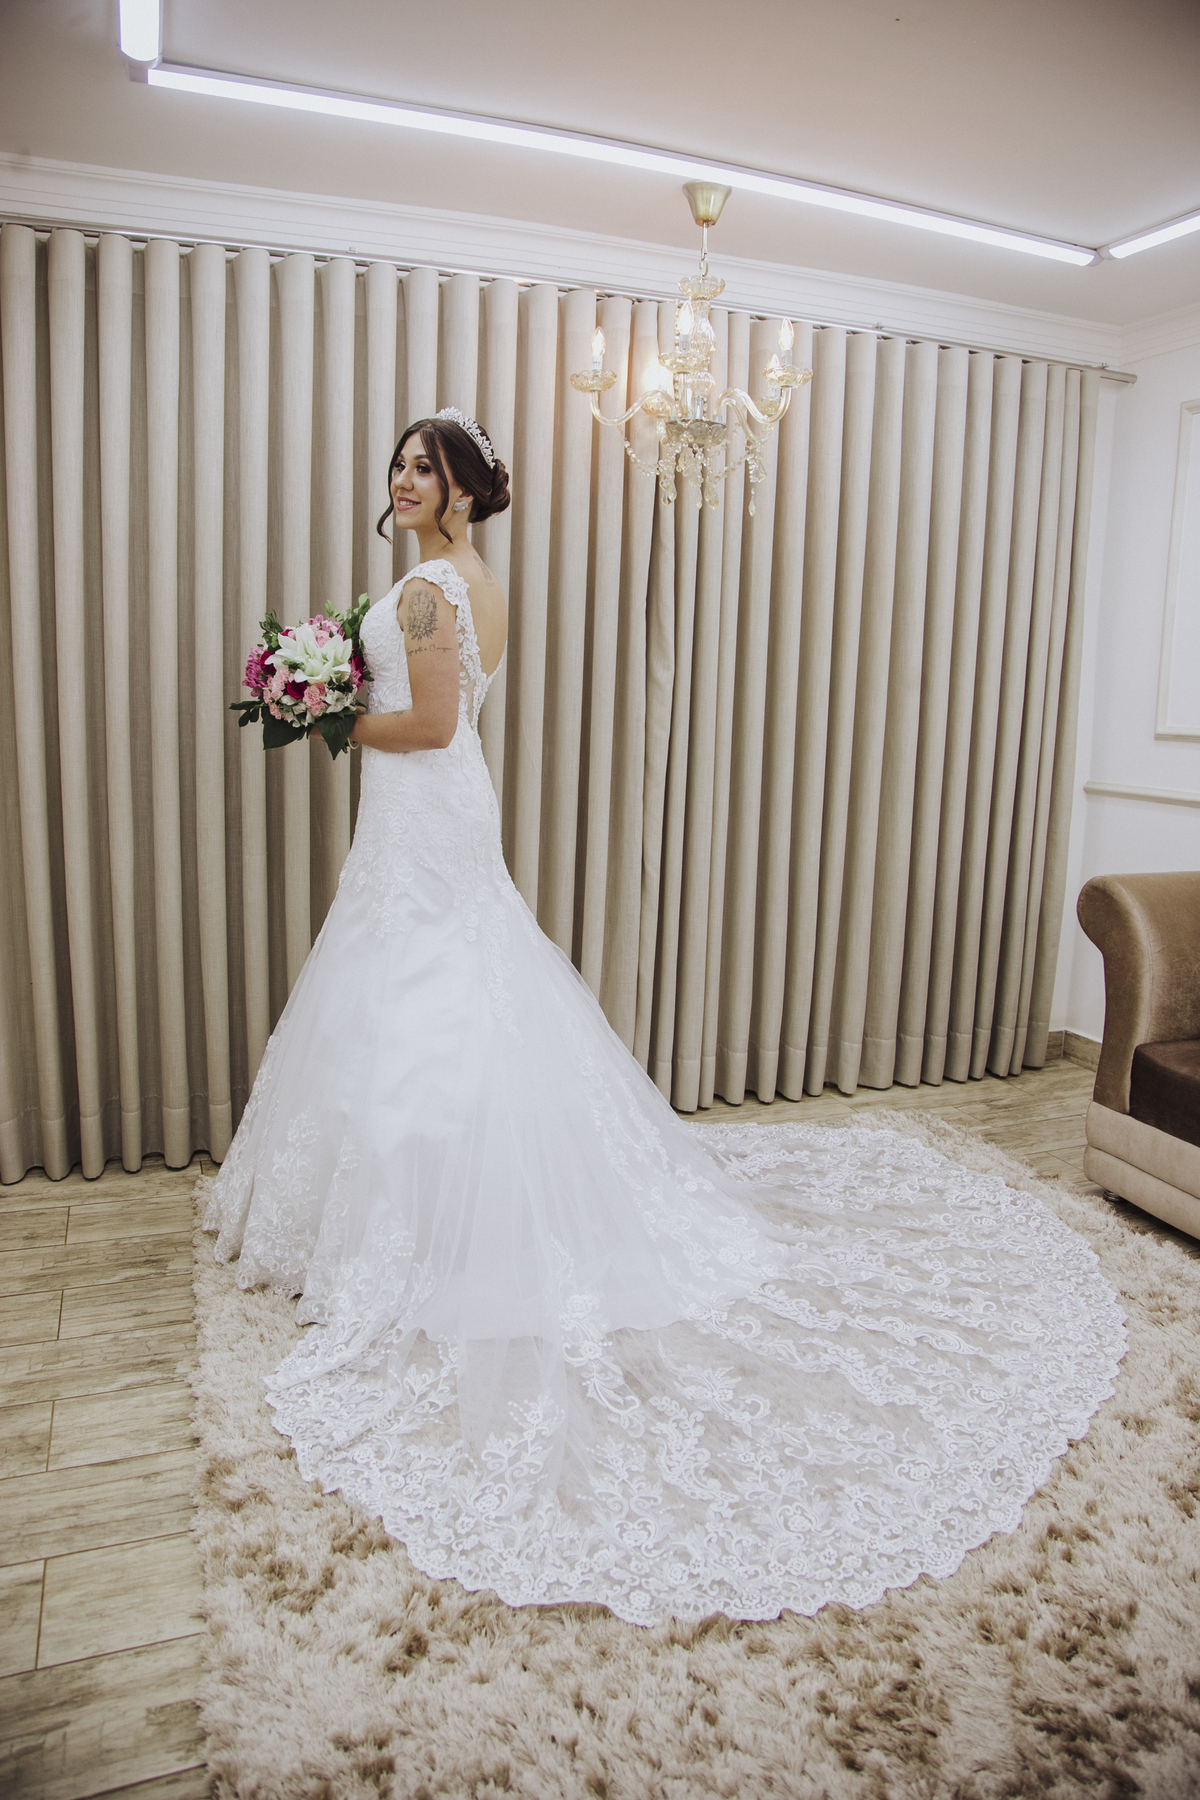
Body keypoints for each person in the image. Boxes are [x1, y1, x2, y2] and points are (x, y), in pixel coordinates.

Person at [202, 406, 1125, 1628]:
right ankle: (430, 1201)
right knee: (442, 983)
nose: (406, 478)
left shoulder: (427, 589)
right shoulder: (479, 581)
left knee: (425, 991)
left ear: (465, 491)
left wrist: (319, 712)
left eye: (429, 468)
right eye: (403, 464)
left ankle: (427, 1229)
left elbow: (426, 725)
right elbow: (456, 717)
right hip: (437, 811)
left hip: (424, 802)